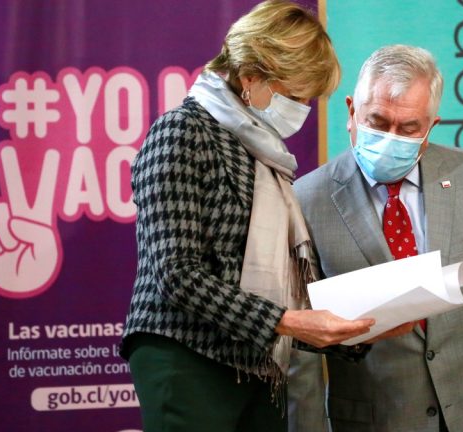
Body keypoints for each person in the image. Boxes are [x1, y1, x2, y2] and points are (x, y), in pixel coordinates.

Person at [120, 2, 391, 431]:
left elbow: (282, 282)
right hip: (186, 357)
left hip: (255, 360)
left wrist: (357, 331)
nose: (303, 107)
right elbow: (176, 274)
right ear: (250, 76)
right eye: (295, 95)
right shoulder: (181, 131)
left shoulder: (263, 150)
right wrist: (288, 322)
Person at [288, 45, 463, 432]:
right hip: (375, 420)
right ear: (351, 111)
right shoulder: (306, 199)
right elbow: (303, 341)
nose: (390, 138)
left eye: (409, 128)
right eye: (378, 121)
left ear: (430, 127)